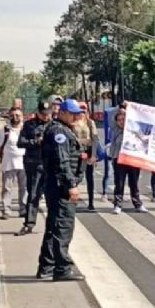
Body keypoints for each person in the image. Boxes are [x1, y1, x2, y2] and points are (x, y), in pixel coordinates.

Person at [36, 99, 86, 281]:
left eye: (78, 113)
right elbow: (61, 161)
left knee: (53, 226)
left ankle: (47, 266)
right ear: (63, 113)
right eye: (73, 113)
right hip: (60, 187)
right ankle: (62, 268)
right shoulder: (59, 132)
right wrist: (71, 184)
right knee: (63, 227)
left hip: (56, 185)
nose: (77, 116)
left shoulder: (62, 130)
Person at [16, 101, 53, 236]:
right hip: (34, 163)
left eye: (48, 114)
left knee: (52, 195)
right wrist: (35, 142)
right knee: (33, 194)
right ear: (38, 113)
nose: (45, 117)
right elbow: (20, 142)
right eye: (43, 114)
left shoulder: (54, 125)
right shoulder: (29, 125)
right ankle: (29, 224)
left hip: (50, 164)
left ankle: (52, 226)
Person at [110, 108, 148, 214]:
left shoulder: (134, 129)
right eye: (119, 120)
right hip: (119, 160)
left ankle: (138, 204)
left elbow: (143, 140)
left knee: (134, 183)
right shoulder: (115, 130)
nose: (122, 122)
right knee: (119, 183)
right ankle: (117, 205)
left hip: (132, 159)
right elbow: (111, 115)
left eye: (124, 119)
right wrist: (120, 108)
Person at [0, 106, 27, 220]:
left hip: (24, 163)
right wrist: (5, 156)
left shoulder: (27, 130)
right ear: (9, 116)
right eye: (12, 115)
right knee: (7, 188)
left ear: (22, 117)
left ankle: (23, 209)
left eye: (17, 115)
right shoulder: (3, 131)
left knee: (24, 188)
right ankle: (6, 210)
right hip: (9, 163)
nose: (15, 117)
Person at [72, 103, 100, 211]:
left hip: (88, 151)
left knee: (90, 178)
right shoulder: (73, 122)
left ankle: (91, 202)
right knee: (76, 177)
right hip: (77, 151)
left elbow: (95, 139)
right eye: (80, 110)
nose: (82, 112)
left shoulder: (90, 122)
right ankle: (73, 201)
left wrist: (93, 155)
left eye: (84, 110)